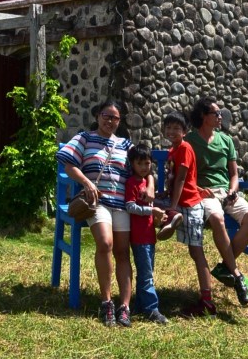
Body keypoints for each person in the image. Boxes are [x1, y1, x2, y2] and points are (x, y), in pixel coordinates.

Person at [161, 110, 248, 317]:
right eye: (169, 128)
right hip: (187, 201)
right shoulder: (175, 149)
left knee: (197, 252)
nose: (172, 131)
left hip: (189, 205)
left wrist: (173, 206)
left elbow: (183, 180)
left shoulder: (184, 148)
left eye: (177, 128)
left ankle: (208, 301)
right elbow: (178, 179)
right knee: (195, 252)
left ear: (185, 131)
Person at [56, 100, 133, 327]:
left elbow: (141, 168)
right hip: (96, 202)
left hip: (121, 203)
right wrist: (87, 183)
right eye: (106, 116)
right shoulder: (84, 138)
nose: (110, 121)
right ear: (98, 116)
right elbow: (68, 164)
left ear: (120, 122)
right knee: (106, 243)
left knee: (122, 251)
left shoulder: (125, 144)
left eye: (115, 118)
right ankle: (106, 301)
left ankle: (125, 306)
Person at [186, 97, 248, 298]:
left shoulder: (226, 140)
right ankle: (236, 274)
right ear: (203, 116)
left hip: (227, 192)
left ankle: (226, 266)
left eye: (220, 113)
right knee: (217, 218)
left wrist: (233, 191)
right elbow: (184, 174)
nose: (220, 117)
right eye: (216, 113)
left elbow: (233, 174)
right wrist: (199, 189)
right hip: (204, 193)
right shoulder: (190, 141)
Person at [124, 143, 169, 324]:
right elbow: (130, 207)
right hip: (139, 236)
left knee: (146, 272)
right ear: (132, 164)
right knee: (147, 274)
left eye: (147, 164)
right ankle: (152, 309)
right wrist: (152, 212)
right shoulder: (132, 183)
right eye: (140, 164)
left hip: (149, 235)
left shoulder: (146, 183)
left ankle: (141, 305)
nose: (144, 167)